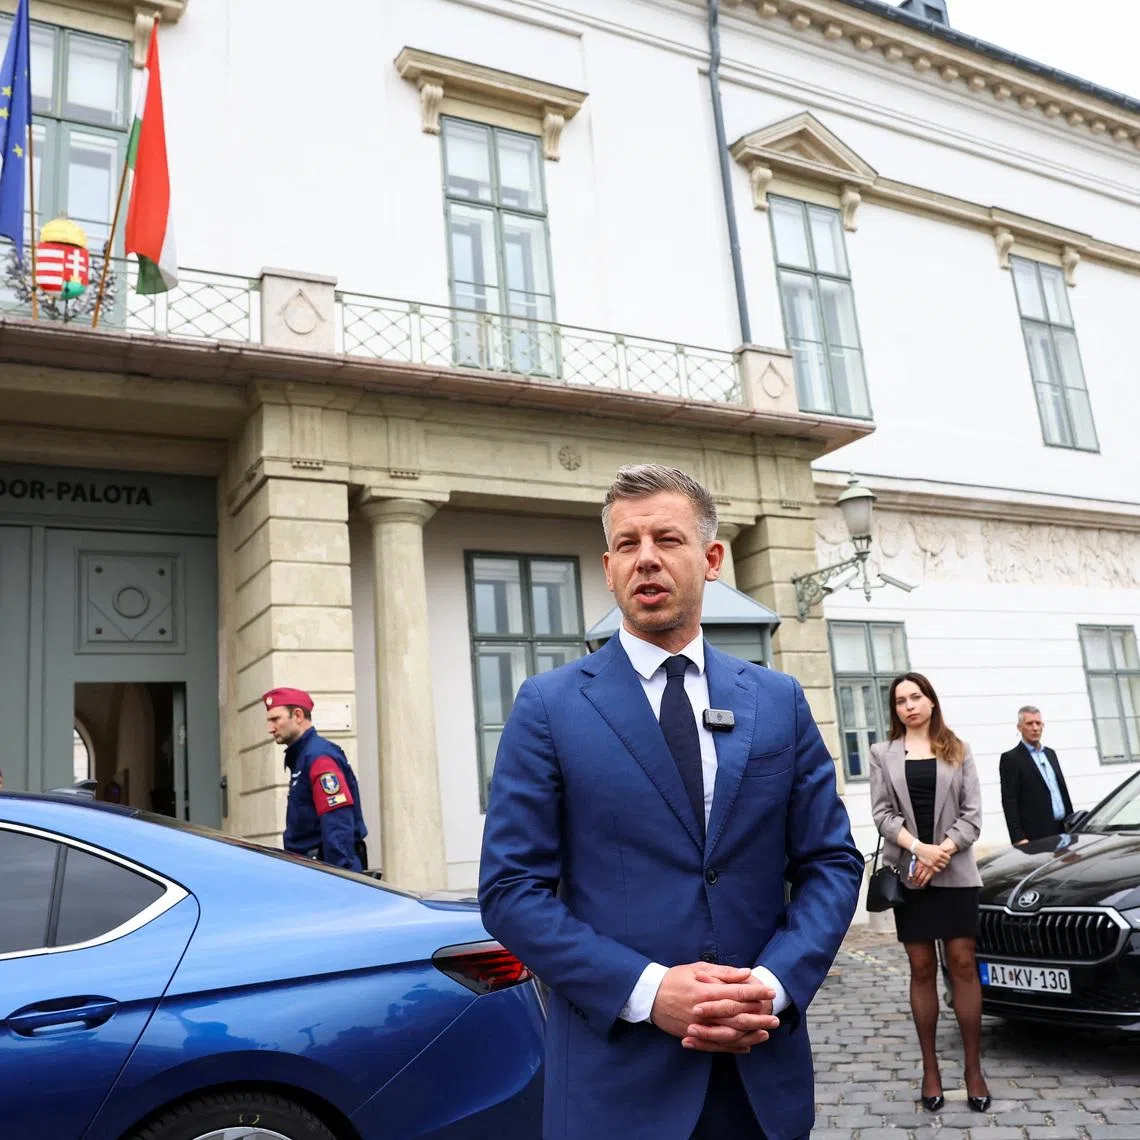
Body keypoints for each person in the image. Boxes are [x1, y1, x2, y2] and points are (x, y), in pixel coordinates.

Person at [479, 464, 863, 1140]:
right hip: (617, 1081)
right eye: (627, 544)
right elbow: (512, 890)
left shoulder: (777, 701)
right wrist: (650, 991)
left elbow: (831, 861)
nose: (646, 558)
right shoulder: (550, 707)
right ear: (607, 566)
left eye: (667, 539)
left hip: (758, 1074)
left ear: (711, 558)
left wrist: (772, 985)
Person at [868, 672, 989, 1115]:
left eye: (916, 697)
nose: (909, 706)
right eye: (900, 701)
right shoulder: (883, 753)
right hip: (910, 875)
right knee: (921, 968)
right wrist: (919, 850)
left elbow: (974, 816)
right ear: (895, 710)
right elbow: (881, 814)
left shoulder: (957, 749)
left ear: (931, 701)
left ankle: (974, 1069)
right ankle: (930, 1069)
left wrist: (944, 851)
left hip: (955, 872)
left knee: (962, 962)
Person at [263, 687, 367, 872]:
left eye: (275, 719)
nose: (270, 728)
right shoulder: (304, 756)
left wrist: (340, 878)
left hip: (325, 871)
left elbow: (338, 824)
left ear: (297, 715)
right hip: (313, 868)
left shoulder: (319, 758)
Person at [999, 706, 1072, 845]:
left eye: (1038, 723)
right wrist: (1018, 837)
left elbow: (1061, 791)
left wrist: (1073, 824)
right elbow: (1009, 802)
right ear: (1019, 727)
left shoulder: (1050, 754)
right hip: (1036, 835)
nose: (1035, 728)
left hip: (1063, 830)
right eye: (1029, 723)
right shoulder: (1012, 759)